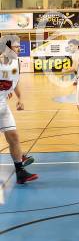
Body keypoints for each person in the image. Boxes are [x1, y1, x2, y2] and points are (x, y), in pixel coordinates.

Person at [0, 35, 38, 184]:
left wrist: (20, 99)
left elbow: (15, 83)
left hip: (3, 106)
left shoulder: (16, 62)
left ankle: (20, 172)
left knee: (14, 137)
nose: (19, 49)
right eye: (16, 46)